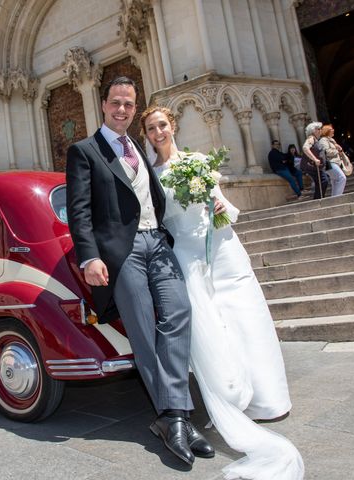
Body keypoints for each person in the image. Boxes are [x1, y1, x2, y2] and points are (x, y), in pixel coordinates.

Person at [141, 105, 304, 479]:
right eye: (151, 129)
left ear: (173, 125)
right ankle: (231, 396)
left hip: (223, 246)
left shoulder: (198, 160)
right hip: (185, 252)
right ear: (147, 135)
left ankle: (266, 396)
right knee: (210, 326)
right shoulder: (151, 176)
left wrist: (219, 205)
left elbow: (225, 206)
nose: (158, 132)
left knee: (245, 315)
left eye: (162, 125)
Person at [66, 76, 213, 469]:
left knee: (178, 313)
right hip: (122, 253)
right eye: (116, 102)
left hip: (158, 243)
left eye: (129, 104)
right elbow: (79, 211)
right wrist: (89, 257)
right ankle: (177, 419)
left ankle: (172, 417)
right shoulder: (84, 150)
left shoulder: (138, 147)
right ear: (103, 104)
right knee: (144, 329)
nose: (122, 110)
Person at [300, 121, 329, 199]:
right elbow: (305, 148)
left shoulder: (315, 139)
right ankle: (318, 199)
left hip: (315, 166)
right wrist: (315, 159)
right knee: (324, 180)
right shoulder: (311, 138)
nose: (320, 130)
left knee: (320, 182)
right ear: (313, 130)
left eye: (320, 129)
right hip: (312, 166)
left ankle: (318, 199)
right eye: (318, 129)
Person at [318, 124, 347, 196]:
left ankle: (334, 199)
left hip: (335, 162)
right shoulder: (323, 140)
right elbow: (327, 152)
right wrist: (337, 150)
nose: (333, 130)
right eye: (331, 129)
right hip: (329, 163)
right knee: (342, 178)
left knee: (335, 181)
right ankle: (337, 198)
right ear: (327, 131)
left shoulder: (331, 140)